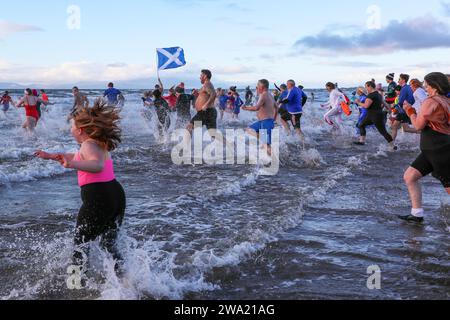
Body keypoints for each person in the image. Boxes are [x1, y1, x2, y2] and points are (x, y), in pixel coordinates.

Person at [35, 100, 126, 272]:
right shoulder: (96, 143)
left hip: (99, 197)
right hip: (115, 194)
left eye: (71, 126)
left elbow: (96, 164)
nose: (70, 130)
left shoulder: (88, 144)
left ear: (80, 130)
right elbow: (80, 157)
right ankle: (125, 281)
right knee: (108, 242)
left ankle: (76, 284)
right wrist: (52, 156)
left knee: (80, 243)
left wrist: (72, 165)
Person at [401, 72, 450, 223]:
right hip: (432, 149)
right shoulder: (446, 100)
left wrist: (410, 111)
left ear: (434, 85)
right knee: (410, 176)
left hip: (438, 149)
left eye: (427, 84)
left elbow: (418, 126)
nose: (425, 87)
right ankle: (417, 214)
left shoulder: (431, 101)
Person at [354, 81, 396, 150]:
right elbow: (384, 103)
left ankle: (393, 146)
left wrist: (358, 102)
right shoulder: (378, 94)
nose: (366, 88)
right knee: (361, 125)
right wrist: (390, 111)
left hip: (375, 116)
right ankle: (362, 141)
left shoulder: (371, 95)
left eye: (366, 87)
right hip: (372, 115)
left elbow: (366, 106)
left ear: (370, 86)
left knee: (383, 132)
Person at [242, 79, 277, 156]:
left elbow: (256, 108)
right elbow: (276, 107)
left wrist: (246, 108)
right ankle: (271, 158)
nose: (256, 88)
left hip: (265, 122)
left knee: (266, 145)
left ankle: (275, 161)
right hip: (266, 122)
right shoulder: (270, 95)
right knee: (249, 129)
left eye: (257, 86)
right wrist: (273, 119)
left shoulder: (263, 95)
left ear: (262, 87)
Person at [187, 70, 217, 134]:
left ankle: (186, 144)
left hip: (205, 112)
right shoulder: (206, 85)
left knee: (189, 127)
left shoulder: (207, 84)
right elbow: (205, 96)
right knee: (213, 134)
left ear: (205, 76)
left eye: (201, 75)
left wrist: (206, 104)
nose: (199, 77)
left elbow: (213, 94)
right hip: (208, 112)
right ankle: (230, 144)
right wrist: (197, 94)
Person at [391, 74, 417, 141]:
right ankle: (422, 132)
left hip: (403, 111)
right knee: (405, 129)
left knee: (394, 127)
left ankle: (390, 144)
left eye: (399, 79)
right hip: (407, 110)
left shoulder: (404, 88)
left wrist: (394, 107)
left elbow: (400, 102)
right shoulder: (409, 87)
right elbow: (412, 99)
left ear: (403, 80)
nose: (398, 81)